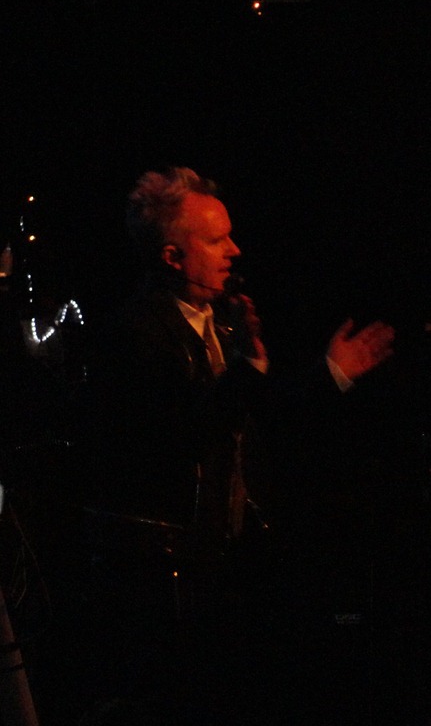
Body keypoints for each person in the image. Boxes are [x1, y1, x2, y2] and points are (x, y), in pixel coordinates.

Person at [73, 166, 395, 721]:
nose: (234, 250)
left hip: (229, 571)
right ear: (173, 257)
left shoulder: (222, 320)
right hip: (168, 581)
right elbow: (185, 432)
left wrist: (331, 375)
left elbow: (261, 419)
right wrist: (250, 366)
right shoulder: (134, 334)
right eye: (216, 240)